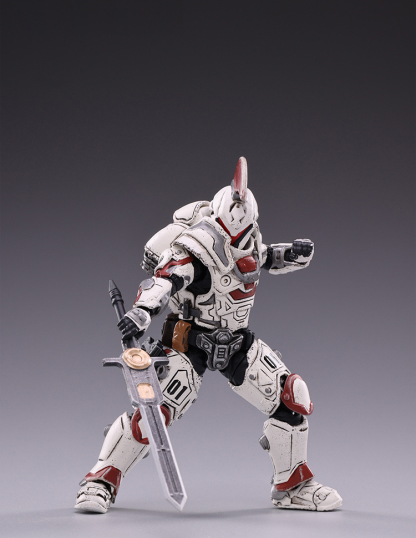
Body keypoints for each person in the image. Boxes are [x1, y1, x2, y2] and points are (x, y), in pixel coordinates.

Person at [75, 157, 342, 513]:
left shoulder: (249, 240)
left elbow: (263, 258)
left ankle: (292, 486)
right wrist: (142, 311)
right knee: (154, 414)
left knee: (291, 397)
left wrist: (290, 254)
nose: (238, 239)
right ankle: (100, 480)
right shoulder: (195, 248)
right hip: (190, 342)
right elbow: (164, 280)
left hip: (236, 341)